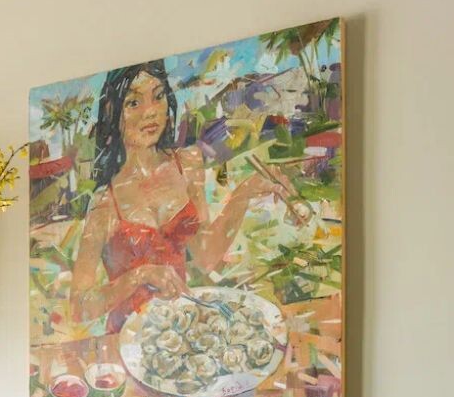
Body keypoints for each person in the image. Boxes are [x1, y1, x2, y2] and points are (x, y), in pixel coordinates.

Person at [69, 60, 299, 332]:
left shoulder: (187, 164)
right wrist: (140, 275)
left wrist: (243, 193)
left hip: (180, 326)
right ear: (113, 111)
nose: (150, 112)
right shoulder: (105, 203)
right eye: (134, 102)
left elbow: (205, 257)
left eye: (158, 96)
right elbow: (80, 308)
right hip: (127, 336)